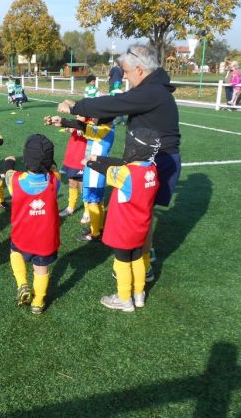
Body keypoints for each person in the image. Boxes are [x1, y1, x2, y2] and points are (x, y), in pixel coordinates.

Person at [57, 43, 181, 281]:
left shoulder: (151, 91)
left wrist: (77, 107)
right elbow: (116, 107)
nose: (123, 75)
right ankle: (145, 255)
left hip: (156, 160)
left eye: (126, 71)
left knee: (136, 214)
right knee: (143, 213)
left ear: (141, 71)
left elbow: (116, 104)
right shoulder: (154, 87)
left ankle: (141, 269)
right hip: (158, 158)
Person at [83, 128, 161, 312]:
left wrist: (90, 163)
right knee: (138, 259)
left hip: (123, 228)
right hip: (141, 227)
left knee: (122, 262)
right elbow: (121, 164)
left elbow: (110, 170)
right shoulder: (152, 169)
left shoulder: (126, 174)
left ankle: (124, 299)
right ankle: (139, 295)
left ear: (134, 149)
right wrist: (98, 158)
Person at [3, 134, 61, 315]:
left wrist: (10, 161)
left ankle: (22, 284)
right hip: (46, 238)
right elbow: (54, 168)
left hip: (23, 235)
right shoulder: (54, 180)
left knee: (15, 252)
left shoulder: (16, 181)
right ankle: (38, 303)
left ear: (27, 158)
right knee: (41, 270)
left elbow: (8, 172)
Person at [46, 115, 115, 241]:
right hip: (96, 168)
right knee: (97, 200)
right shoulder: (105, 128)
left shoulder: (102, 130)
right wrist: (62, 123)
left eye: (96, 115)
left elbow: (82, 127)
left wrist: (63, 120)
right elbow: (78, 128)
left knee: (93, 200)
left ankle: (95, 234)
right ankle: (98, 228)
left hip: (95, 170)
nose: (93, 117)